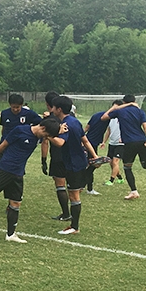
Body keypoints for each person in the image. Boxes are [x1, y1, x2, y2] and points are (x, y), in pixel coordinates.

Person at [0, 118, 61, 243]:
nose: (47, 138)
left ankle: (10, 235)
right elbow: (4, 144)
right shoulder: (20, 130)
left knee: (15, 203)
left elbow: (52, 130)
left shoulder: (40, 135)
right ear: (42, 128)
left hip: (18, 173)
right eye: (47, 135)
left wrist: (61, 128)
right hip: (6, 169)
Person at [51, 96, 99, 235]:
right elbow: (85, 140)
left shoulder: (65, 124)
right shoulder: (75, 121)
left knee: (73, 195)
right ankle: (74, 225)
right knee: (74, 193)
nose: (52, 110)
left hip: (73, 164)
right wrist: (94, 156)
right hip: (79, 161)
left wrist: (47, 135)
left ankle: (74, 227)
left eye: (54, 107)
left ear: (59, 109)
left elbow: (60, 143)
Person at [101, 95, 146, 200]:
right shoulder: (140, 111)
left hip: (129, 143)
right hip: (142, 141)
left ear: (123, 102)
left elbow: (104, 117)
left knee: (127, 167)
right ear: (134, 101)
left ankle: (134, 191)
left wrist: (115, 107)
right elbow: (145, 126)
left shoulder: (120, 111)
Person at [40, 91, 70, 221]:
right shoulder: (69, 117)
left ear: (48, 105)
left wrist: (43, 160)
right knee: (72, 186)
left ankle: (66, 213)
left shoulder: (49, 121)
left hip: (58, 156)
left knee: (60, 185)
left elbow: (45, 142)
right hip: (72, 155)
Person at [83, 108, 111, 196]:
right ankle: (87, 187)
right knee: (92, 165)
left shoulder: (96, 114)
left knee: (91, 164)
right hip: (91, 143)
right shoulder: (109, 117)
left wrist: (81, 137)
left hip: (88, 140)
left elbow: (87, 127)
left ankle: (86, 185)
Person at [101, 100, 125, 186]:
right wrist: (104, 142)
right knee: (111, 162)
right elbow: (108, 131)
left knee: (115, 162)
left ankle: (111, 180)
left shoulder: (124, 117)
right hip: (112, 143)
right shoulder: (111, 118)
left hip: (121, 144)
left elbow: (128, 129)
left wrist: (123, 138)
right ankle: (120, 177)